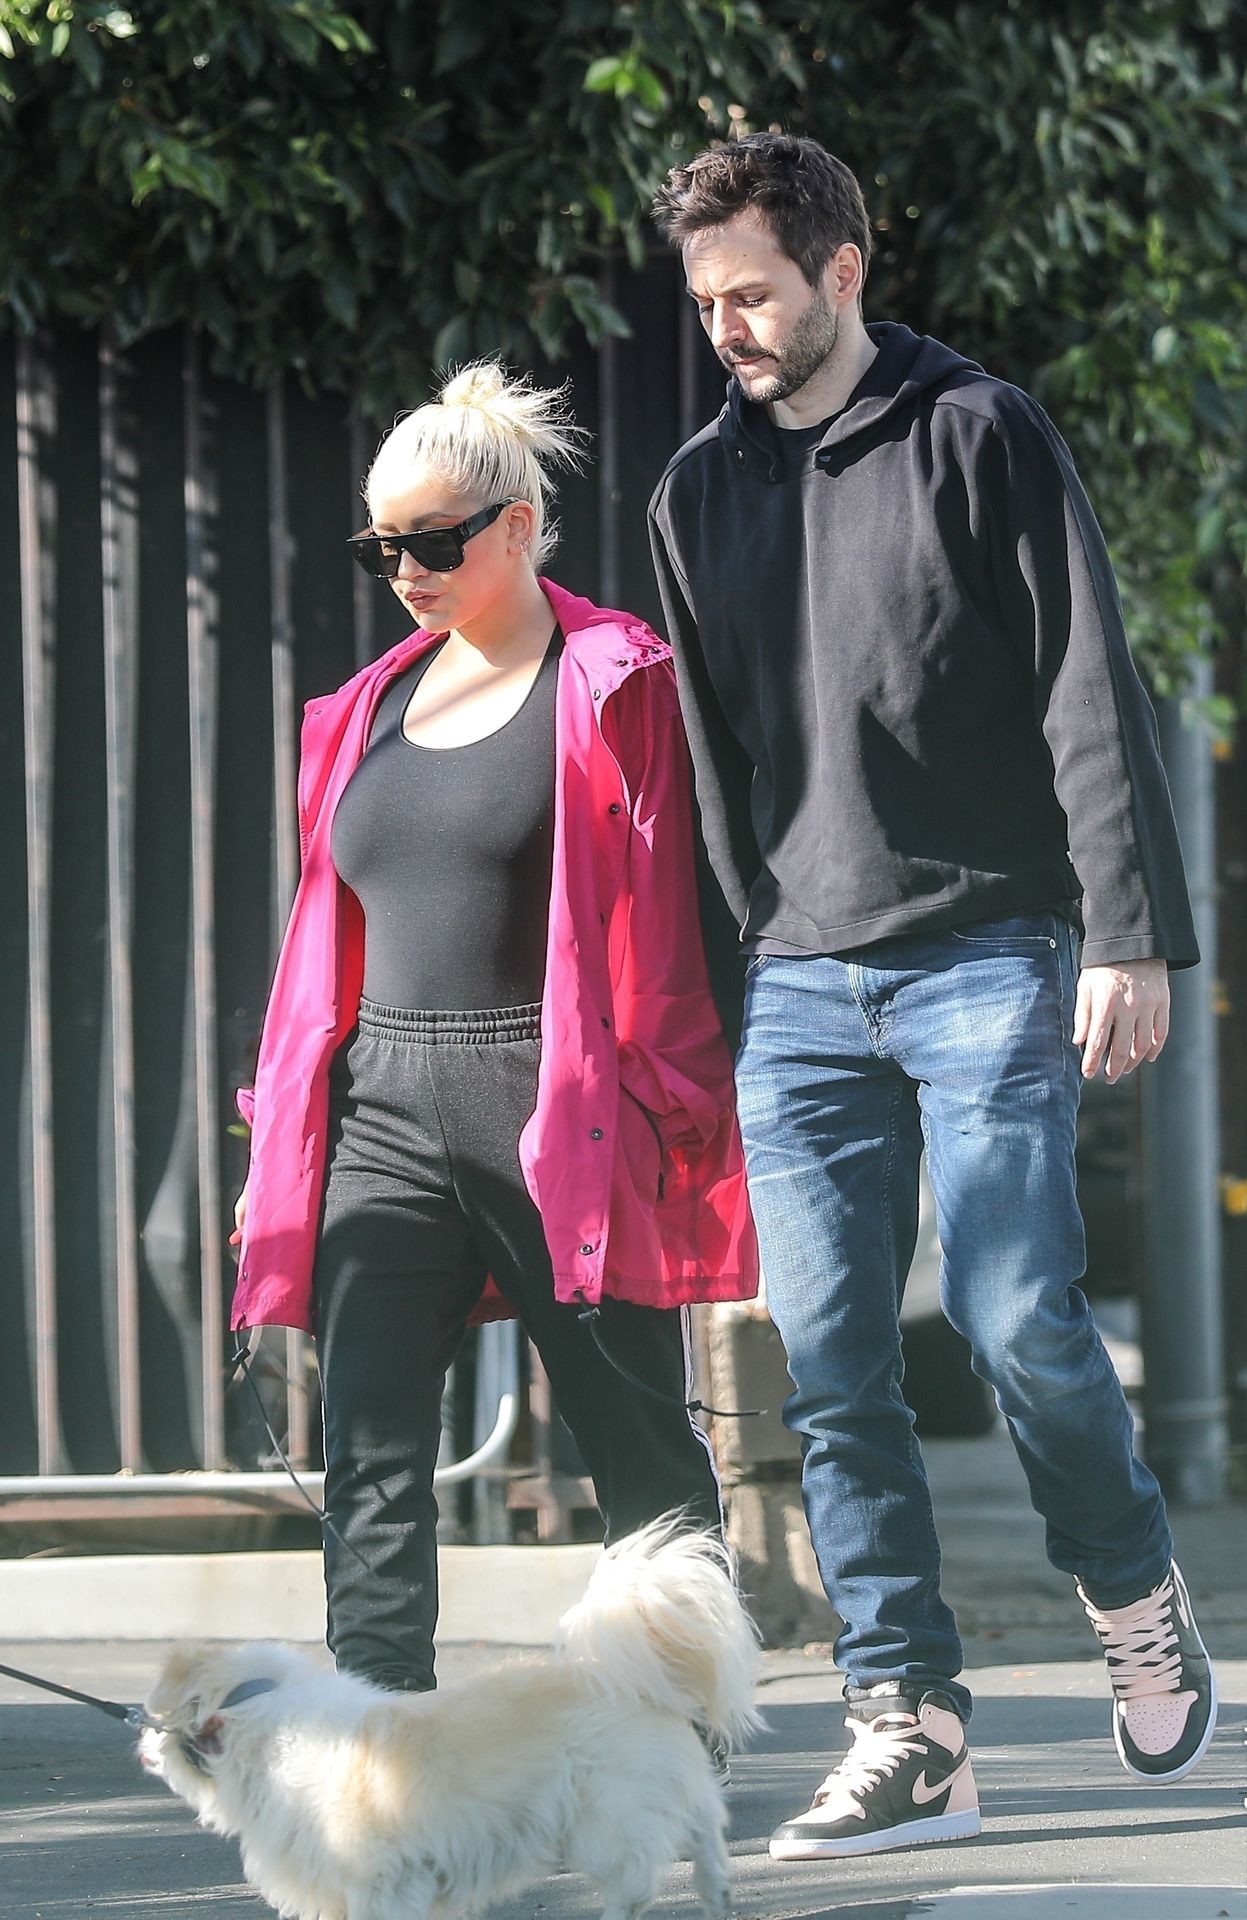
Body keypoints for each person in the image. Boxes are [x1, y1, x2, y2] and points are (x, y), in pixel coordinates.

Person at [648, 132, 1215, 1859]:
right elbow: (713, 765)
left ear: (843, 269)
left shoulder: (980, 430)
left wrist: (1125, 933)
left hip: (987, 949)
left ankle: (1133, 1588)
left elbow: (1084, 682)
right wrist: (742, 973)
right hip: (802, 981)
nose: (730, 326)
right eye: (708, 301)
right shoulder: (696, 493)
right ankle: (911, 1721)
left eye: (755, 292)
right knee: (826, 1360)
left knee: (1015, 1310)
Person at [229, 362, 757, 1698]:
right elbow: (320, 946)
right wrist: (284, 1135)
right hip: (381, 1106)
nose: (404, 570)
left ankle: (686, 1723)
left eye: (433, 542)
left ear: (517, 527)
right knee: (369, 1446)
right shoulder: (366, 707)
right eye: (382, 546)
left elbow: (690, 913)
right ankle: (377, 1747)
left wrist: (685, 1111)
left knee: (633, 1435)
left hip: (557, 1096)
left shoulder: (618, 682)